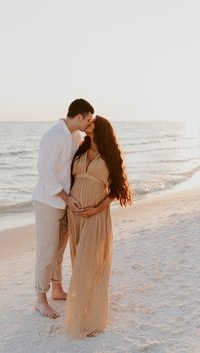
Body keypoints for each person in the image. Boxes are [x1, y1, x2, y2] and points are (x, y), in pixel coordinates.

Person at [65, 116, 132, 338]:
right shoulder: (80, 149)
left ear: (100, 129)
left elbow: (115, 191)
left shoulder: (110, 156)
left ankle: (91, 318)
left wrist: (95, 210)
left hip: (96, 215)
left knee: (90, 263)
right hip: (74, 215)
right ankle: (82, 307)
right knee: (78, 261)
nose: (88, 123)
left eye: (92, 122)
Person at [32, 98, 94, 319]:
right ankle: (40, 298)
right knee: (46, 252)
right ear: (79, 117)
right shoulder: (53, 136)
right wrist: (67, 199)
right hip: (49, 201)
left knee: (58, 251)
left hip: (66, 202)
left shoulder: (76, 136)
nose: (89, 123)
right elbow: (45, 172)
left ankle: (57, 289)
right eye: (88, 119)